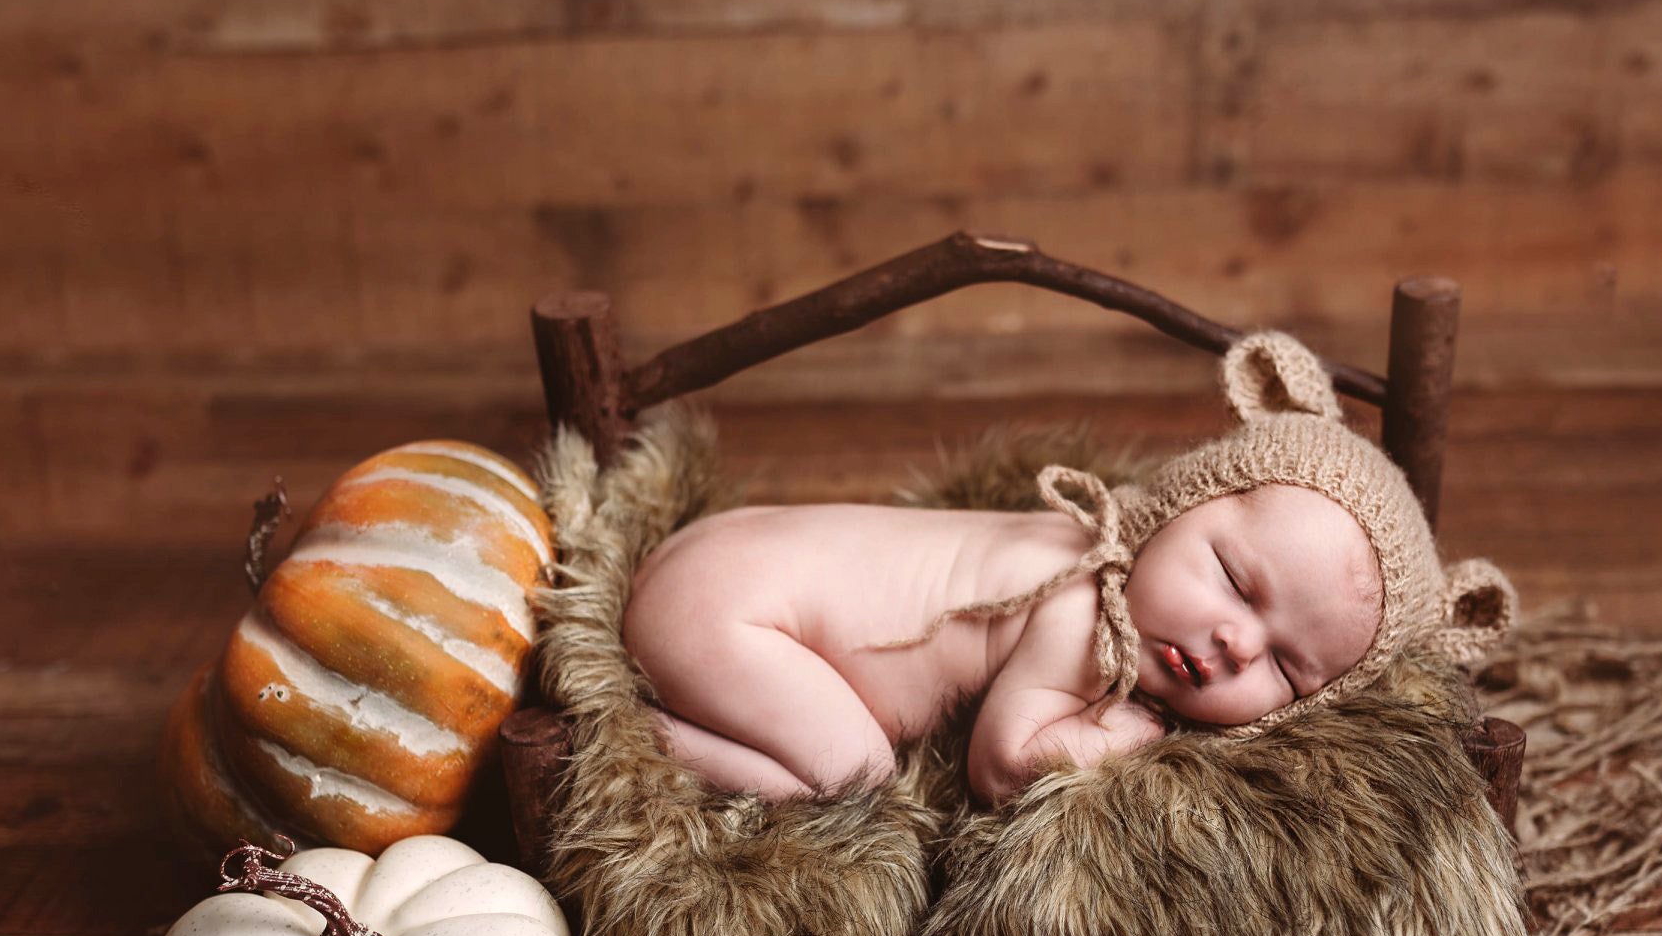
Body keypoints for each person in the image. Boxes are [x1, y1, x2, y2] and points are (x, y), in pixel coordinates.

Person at [620, 331, 1516, 807]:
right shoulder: (1083, 617)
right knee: (855, 777)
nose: (1238, 644)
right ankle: (646, 742)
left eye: (1288, 668)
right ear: (1170, 512)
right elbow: (1004, 762)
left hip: (725, 552)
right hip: (731, 617)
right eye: (1237, 584)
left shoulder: (1118, 542)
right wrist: (1123, 735)